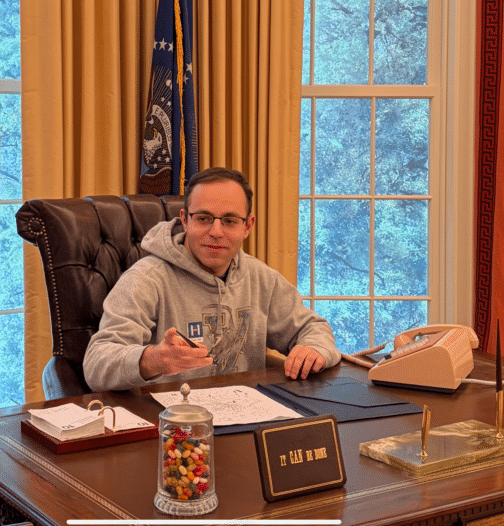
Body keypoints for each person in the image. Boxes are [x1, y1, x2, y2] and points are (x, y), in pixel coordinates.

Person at [83, 167, 341, 392]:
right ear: (185, 220)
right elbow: (96, 364)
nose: (216, 232)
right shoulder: (145, 279)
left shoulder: (261, 278)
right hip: (172, 422)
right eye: (204, 218)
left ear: (247, 226)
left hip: (247, 416)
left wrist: (314, 348)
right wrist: (152, 359)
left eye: (229, 221)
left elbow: (313, 328)